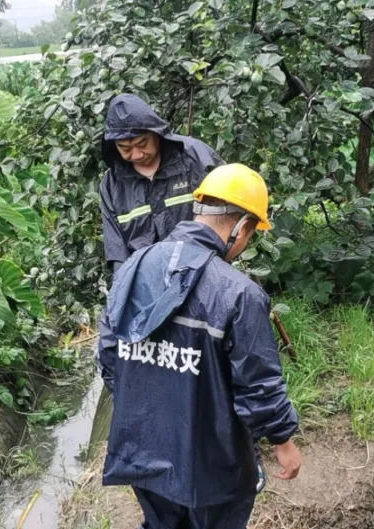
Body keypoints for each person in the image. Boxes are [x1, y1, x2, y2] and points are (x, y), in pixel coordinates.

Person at [97, 163, 301, 528]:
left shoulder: (131, 269)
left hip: (142, 452)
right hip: (212, 465)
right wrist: (283, 441)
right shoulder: (239, 294)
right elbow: (257, 384)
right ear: (242, 228)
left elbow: (109, 356)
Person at [99, 93, 224, 274]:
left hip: (205, 273)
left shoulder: (195, 158)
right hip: (150, 284)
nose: (136, 155)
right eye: (124, 148)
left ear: (155, 133)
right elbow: (117, 250)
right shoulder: (112, 185)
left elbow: (228, 218)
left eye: (142, 143)